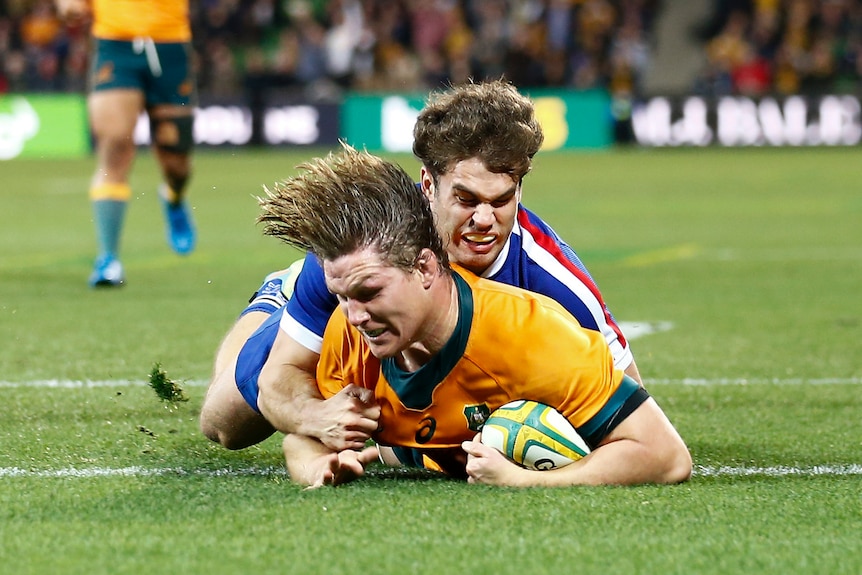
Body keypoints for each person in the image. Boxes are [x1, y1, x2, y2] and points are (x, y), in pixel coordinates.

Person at [200, 79, 641, 454]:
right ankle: (277, 298)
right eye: (466, 199)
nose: (485, 220)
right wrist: (315, 417)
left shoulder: (554, 281)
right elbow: (280, 378)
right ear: (429, 184)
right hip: (346, 311)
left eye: (502, 200)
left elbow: (632, 406)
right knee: (225, 425)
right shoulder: (363, 244)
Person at [256, 145, 691, 487]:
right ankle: (274, 299)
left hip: (437, 418)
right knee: (225, 420)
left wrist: (526, 481)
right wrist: (320, 464)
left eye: (369, 293)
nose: (354, 316)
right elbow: (303, 437)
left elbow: (665, 455)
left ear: (426, 268)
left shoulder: (535, 336)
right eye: (344, 297)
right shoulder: (348, 323)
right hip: (295, 323)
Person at [55, 0, 197, 287]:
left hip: (170, 46)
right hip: (115, 45)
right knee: (115, 142)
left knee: (176, 161)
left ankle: (173, 196)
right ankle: (108, 259)